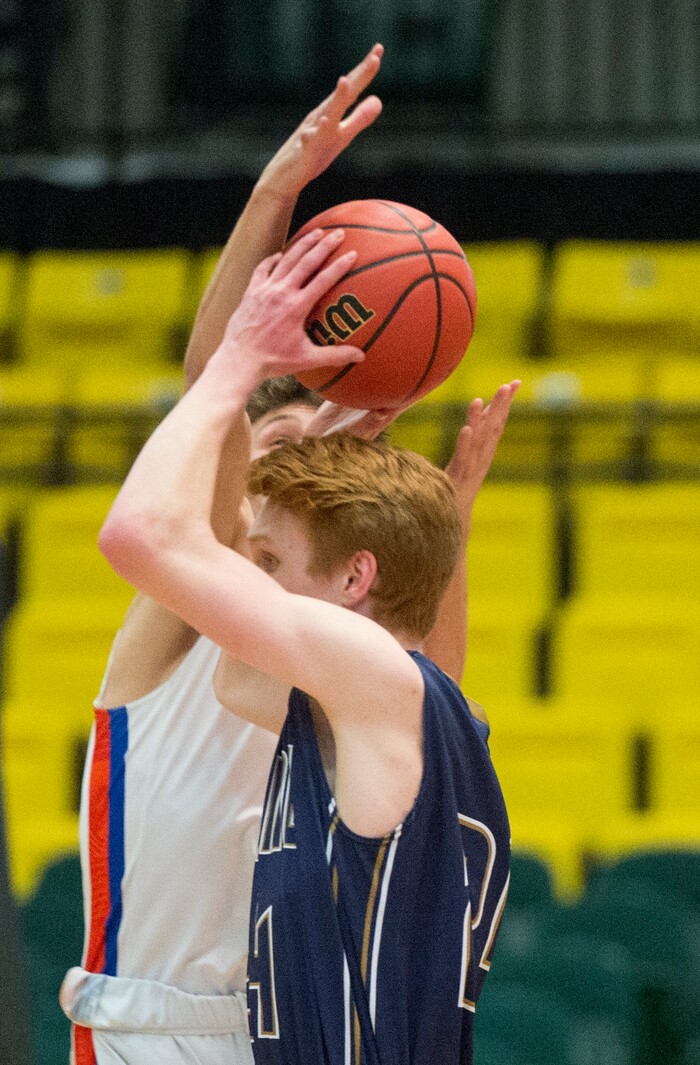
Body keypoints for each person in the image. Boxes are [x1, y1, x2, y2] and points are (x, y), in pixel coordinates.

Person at [60, 43, 516, 1065]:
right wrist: (276, 193)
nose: (305, 430)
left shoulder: (308, 663)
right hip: (148, 1024)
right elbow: (208, 388)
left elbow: (426, 680)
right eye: (280, 429)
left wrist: (446, 525)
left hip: (277, 1032)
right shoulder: (195, 608)